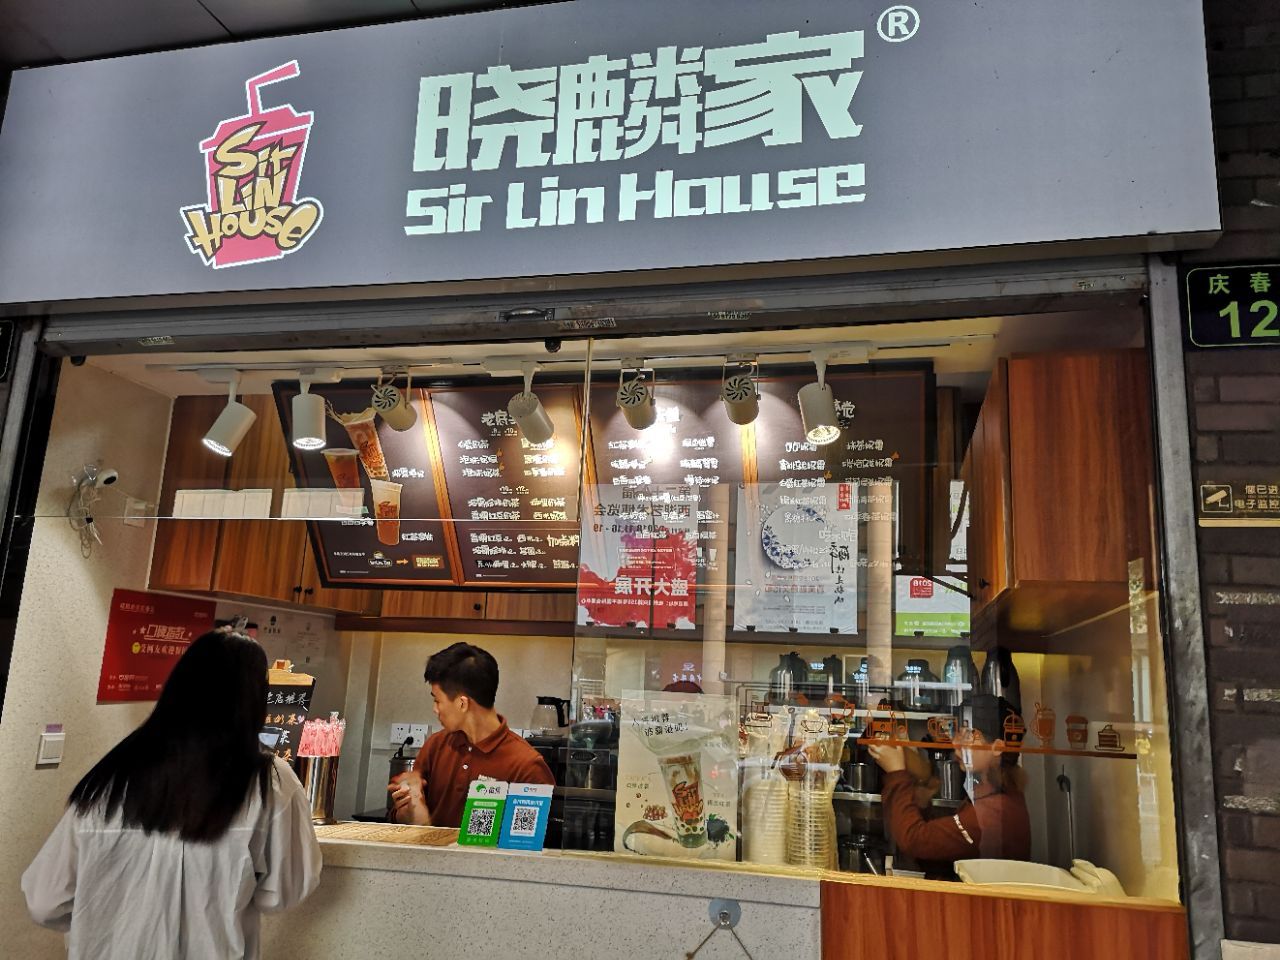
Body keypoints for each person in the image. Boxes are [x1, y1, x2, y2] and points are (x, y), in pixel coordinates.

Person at [22, 629, 322, 960]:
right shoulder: (269, 783)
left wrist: (104, 924)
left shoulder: (111, 775)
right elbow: (283, 893)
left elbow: (45, 902)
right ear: (254, 700)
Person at [389, 642, 554, 828]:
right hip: (428, 848)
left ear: (462, 704)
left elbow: (529, 840)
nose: (435, 709)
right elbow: (408, 819)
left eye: (437, 700)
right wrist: (405, 812)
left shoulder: (527, 766)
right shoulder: (435, 746)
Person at [868, 694, 1030, 877]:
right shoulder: (993, 794)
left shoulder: (993, 814)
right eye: (959, 732)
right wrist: (922, 803)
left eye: (969, 734)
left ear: (997, 748)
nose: (956, 742)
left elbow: (914, 840)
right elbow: (947, 849)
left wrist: (896, 772)